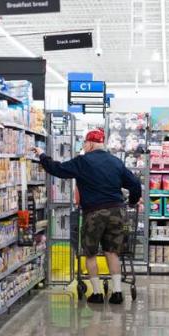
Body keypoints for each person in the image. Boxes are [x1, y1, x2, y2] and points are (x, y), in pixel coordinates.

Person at [32, 128, 142, 304]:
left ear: (89, 143)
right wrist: (132, 201)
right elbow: (135, 183)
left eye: (84, 143)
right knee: (112, 252)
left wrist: (43, 155)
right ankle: (117, 293)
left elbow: (57, 169)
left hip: (94, 212)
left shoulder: (82, 161)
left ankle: (97, 293)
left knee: (90, 254)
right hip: (116, 211)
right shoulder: (116, 162)